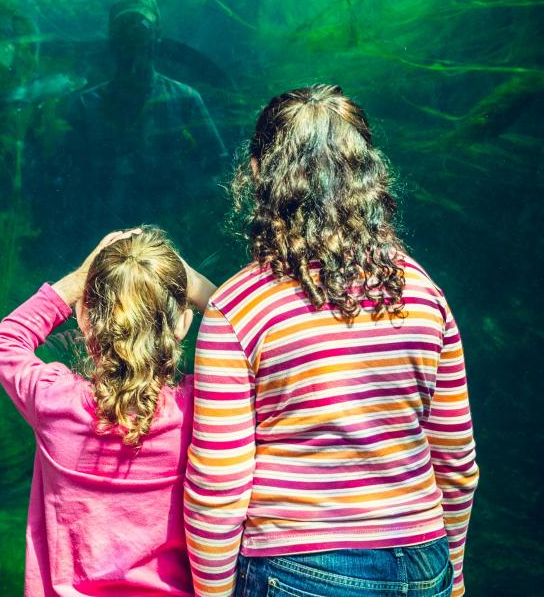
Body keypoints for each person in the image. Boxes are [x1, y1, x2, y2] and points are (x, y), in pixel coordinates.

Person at [183, 85, 479, 597]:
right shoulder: (424, 293)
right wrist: (451, 575)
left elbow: (219, 485)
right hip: (422, 559)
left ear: (258, 176)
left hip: (297, 570)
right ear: (366, 176)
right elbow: (456, 460)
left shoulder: (238, 308)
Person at [0, 226, 216, 596]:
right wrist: (200, 288)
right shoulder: (201, 410)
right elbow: (256, 347)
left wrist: (77, 280)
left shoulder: (53, 402)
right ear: (182, 325)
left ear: (84, 319)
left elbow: (7, 340)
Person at [24, 0, 228, 270]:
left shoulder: (185, 100)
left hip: (169, 241)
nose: (134, 42)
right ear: (113, 41)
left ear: (157, 36)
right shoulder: (83, 106)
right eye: (125, 33)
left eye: (141, 30)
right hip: (94, 243)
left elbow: (216, 170)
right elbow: (60, 180)